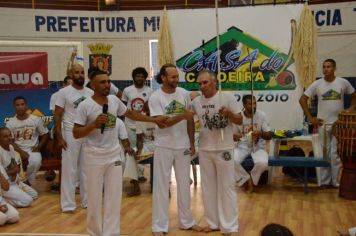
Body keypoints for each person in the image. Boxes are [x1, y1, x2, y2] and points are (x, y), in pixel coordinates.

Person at [72, 69, 165, 236]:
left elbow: (131, 114)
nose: (107, 85)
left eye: (108, 81)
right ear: (92, 85)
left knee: (114, 198)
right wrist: (93, 125)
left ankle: (112, 232)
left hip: (114, 154)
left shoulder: (114, 101)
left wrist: (153, 119)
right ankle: (94, 232)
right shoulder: (85, 105)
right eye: (102, 82)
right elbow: (76, 133)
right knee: (94, 199)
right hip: (93, 156)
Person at [148, 63, 202, 236]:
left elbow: (190, 121)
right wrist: (181, 115)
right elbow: (162, 124)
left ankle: (187, 222)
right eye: (172, 77)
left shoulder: (184, 94)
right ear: (163, 78)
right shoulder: (155, 97)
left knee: (185, 185)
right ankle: (159, 226)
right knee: (161, 186)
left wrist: (192, 142)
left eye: (177, 76)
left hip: (183, 146)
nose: (176, 79)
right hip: (163, 146)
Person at [191, 70, 241, 235]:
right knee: (208, 188)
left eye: (205, 82)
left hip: (224, 148)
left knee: (226, 187)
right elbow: (190, 119)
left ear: (214, 82)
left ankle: (230, 226)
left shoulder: (227, 97)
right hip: (205, 149)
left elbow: (240, 120)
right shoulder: (196, 102)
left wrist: (229, 114)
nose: (202, 86)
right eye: (199, 83)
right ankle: (213, 223)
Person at [299, 58, 356, 187]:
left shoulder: (343, 82)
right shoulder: (317, 84)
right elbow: (302, 99)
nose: (325, 69)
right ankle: (324, 182)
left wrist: (350, 109)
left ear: (334, 68)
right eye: (324, 67)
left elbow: (354, 96)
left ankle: (335, 182)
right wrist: (310, 118)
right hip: (322, 125)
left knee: (335, 154)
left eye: (328, 67)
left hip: (338, 125)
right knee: (324, 153)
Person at [54, 64, 93, 213]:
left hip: (87, 133)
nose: (80, 75)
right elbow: (57, 115)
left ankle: (87, 201)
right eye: (76, 72)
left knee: (87, 169)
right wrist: (59, 136)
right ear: (71, 74)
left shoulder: (90, 92)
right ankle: (68, 205)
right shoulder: (63, 92)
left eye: (82, 72)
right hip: (70, 132)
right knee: (70, 170)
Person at [121, 67, 153, 196]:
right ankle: (134, 177)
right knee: (133, 149)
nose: (139, 78)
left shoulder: (150, 91)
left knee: (144, 149)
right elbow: (122, 107)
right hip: (129, 123)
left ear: (145, 78)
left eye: (142, 76)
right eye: (137, 76)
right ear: (133, 77)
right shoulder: (127, 90)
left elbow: (151, 107)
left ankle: (140, 174)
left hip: (144, 124)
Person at [6, 96, 49, 187]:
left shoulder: (35, 119)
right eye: (17, 105)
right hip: (16, 150)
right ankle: (20, 185)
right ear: (14, 107)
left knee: (36, 161)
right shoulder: (10, 123)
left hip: (32, 149)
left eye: (22, 104)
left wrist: (38, 147)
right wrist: (21, 152)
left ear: (26, 105)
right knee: (13, 165)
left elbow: (45, 134)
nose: (20, 107)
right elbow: (10, 141)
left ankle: (29, 185)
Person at [234, 95, 272, 192]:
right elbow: (233, 137)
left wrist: (260, 133)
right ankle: (245, 180)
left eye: (255, 103)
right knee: (230, 160)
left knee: (263, 163)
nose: (253, 106)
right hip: (242, 146)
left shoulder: (262, 115)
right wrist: (236, 136)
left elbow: (269, 135)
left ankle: (252, 179)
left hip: (258, 147)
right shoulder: (238, 117)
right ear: (244, 105)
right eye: (250, 104)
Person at [0, 127, 37, 207]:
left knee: (34, 195)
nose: (9, 138)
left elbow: (15, 165)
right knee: (28, 201)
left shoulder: (11, 147)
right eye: (5, 136)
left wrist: (15, 170)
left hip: (15, 182)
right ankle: (3, 201)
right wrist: (12, 171)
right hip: (4, 185)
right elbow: (2, 174)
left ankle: (6, 199)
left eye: (10, 135)